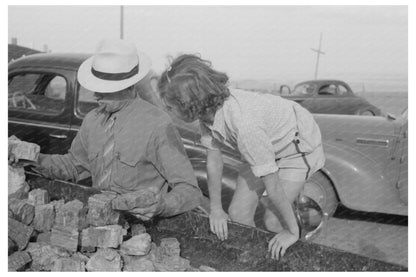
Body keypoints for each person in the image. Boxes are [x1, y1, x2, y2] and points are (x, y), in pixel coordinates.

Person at [9, 39, 202, 220]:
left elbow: (189, 190)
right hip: (98, 222)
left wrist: (162, 206)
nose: (95, 94)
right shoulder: (92, 120)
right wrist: (31, 157)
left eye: (104, 88)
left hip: (140, 228)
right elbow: (72, 166)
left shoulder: (157, 124)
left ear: (128, 85)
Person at [157, 54, 325, 260]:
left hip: (295, 147)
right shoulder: (207, 112)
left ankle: (297, 244)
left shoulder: (244, 125)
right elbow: (214, 161)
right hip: (264, 143)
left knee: (273, 220)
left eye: (170, 107)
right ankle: (258, 260)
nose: (168, 111)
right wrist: (217, 210)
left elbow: (272, 185)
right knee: (238, 213)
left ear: (189, 105)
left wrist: (291, 232)